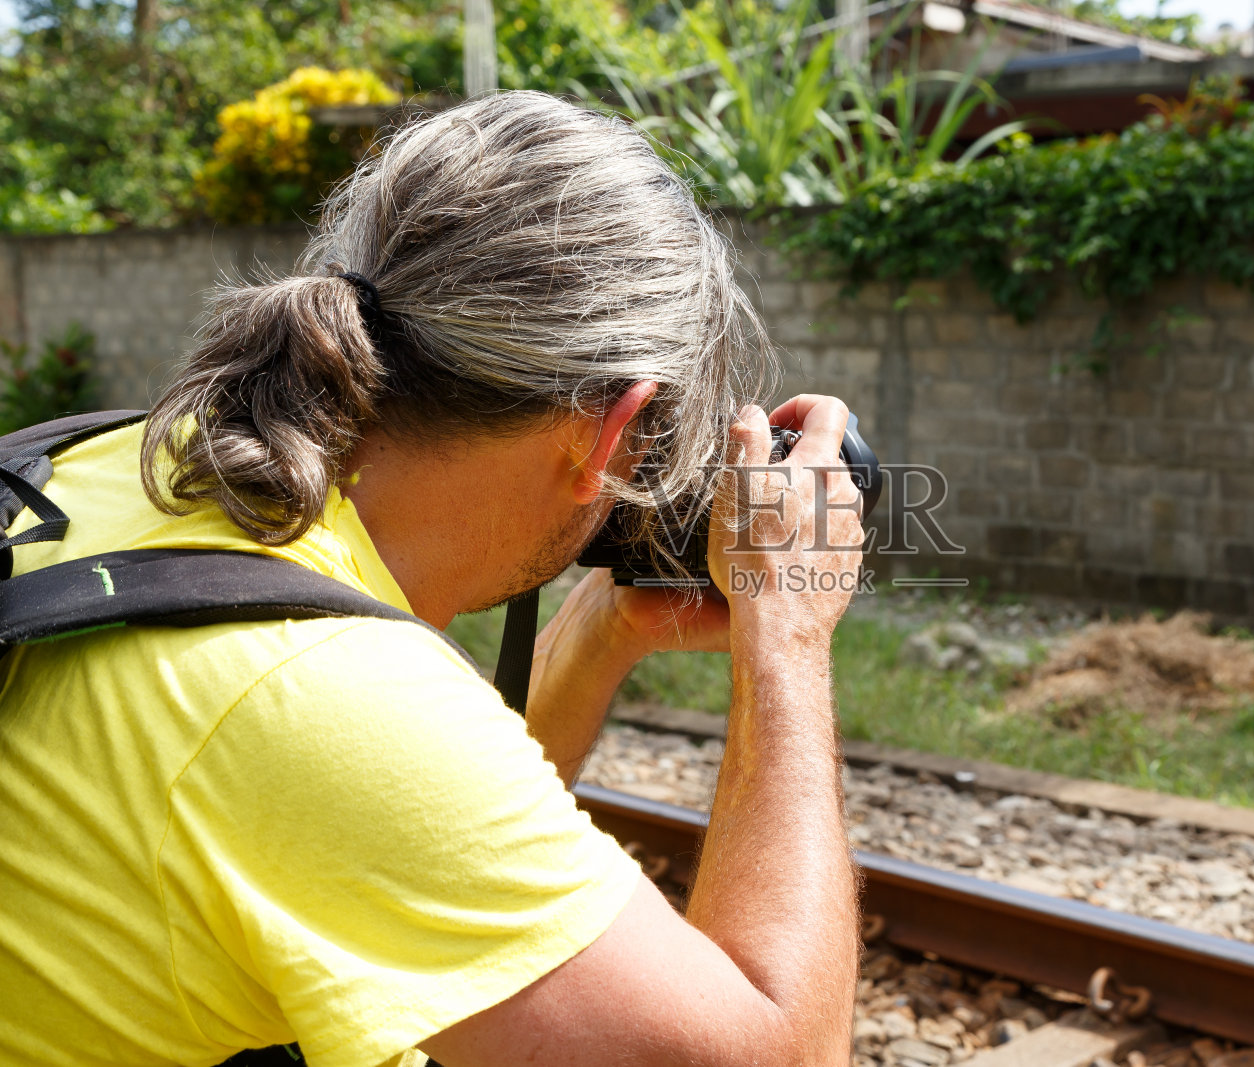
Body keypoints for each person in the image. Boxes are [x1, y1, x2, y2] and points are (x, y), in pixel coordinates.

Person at [0, 91, 863, 1067]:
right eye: (658, 445)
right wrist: (785, 628)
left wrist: (602, 628)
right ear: (614, 430)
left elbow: (389, 824)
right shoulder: (317, 694)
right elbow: (783, 1054)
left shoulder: (113, 460)